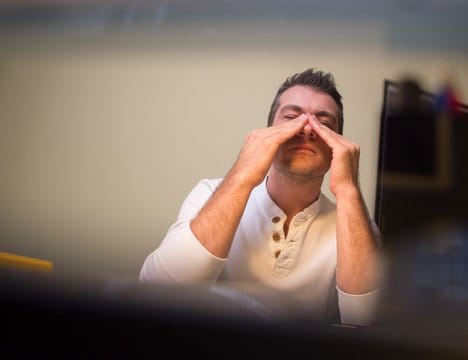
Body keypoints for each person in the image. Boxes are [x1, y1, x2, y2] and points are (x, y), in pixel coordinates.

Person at [139, 68, 383, 326]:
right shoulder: (209, 193)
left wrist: (348, 189)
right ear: (267, 133)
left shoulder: (357, 228)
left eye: (323, 123)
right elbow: (158, 290)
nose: (307, 129)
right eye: (291, 117)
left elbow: (367, 322)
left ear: (339, 145)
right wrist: (244, 173)